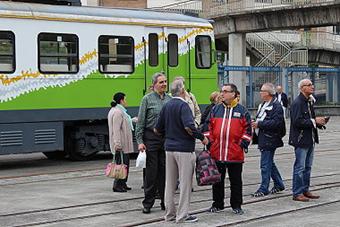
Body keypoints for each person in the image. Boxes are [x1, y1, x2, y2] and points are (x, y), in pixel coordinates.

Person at [155, 79, 208, 223]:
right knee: (185, 184)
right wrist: (202, 137)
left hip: (169, 148)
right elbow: (189, 127)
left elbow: (157, 129)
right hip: (184, 149)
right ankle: (182, 215)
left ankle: (170, 214)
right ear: (183, 91)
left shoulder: (166, 106)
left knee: (170, 183)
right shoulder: (183, 106)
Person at [205, 83, 252, 215]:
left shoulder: (243, 111)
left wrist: (241, 144)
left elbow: (248, 130)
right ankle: (217, 204)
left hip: (235, 154)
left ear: (233, 94)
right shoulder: (215, 110)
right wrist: (210, 143)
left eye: (225, 91)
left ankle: (236, 205)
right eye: (222, 91)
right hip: (217, 152)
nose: (222, 94)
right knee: (217, 181)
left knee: (236, 181)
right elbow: (207, 127)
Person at [136, 72, 171, 214]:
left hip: (166, 138)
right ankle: (148, 203)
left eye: (165, 82)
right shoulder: (147, 99)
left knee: (166, 172)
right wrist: (139, 141)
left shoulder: (170, 99)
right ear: (154, 84)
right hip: (150, 137)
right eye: (161, 82)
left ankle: (165, 201)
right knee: (151, 172)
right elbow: (141, 122)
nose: (164, 84)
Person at [289, 79, 327, 202]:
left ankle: (305, 189)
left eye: (312, 84)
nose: (312, 86)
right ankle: (297, 192)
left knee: (307, 167)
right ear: (302, 88)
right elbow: (296, 122)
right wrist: (314, 121)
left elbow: (310, 119)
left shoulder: (309, 101)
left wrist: (319, 122)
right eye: (309, 85)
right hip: (301, 140)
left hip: (310, 139)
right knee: (300, 167)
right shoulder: (297, 103)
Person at [251, 83, 285, 197]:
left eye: (262, 91)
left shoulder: (276, 106)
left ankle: (264, 188)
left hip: (270, 139)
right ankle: (279, 184)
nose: (260, 93)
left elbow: (277, 123)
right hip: (263, 138)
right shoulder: (263, 104)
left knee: (265, 164)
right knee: (269, 163)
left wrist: (259, 124)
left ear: (268, 93)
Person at [108, 92, 134, 193]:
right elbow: (116, 129)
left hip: (122, 143)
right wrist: (117, 144)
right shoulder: (118, 112)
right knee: (120, 165)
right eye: (125, 99)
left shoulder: (116, 111)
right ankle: (117, 185)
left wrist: (132, 120)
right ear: (121, 100)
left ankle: (123, 183)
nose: (126, 101)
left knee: (124, 164)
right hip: (121, 144)